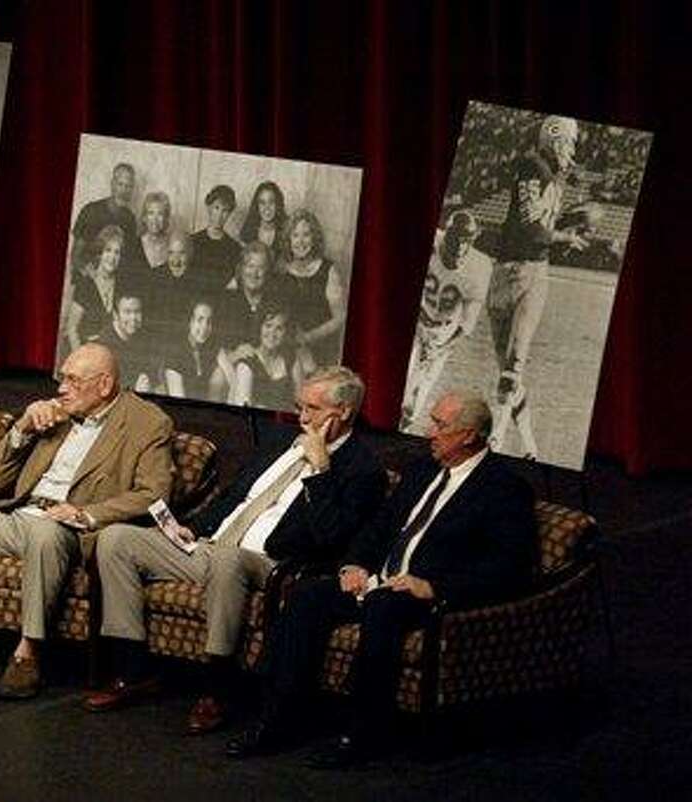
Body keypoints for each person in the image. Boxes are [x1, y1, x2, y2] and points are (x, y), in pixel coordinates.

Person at [226, 390, 536, 765]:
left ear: (469, 435)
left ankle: (364, 734)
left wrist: (433, 586)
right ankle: (279, 720)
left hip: (425, 595)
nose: (429, 432)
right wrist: (354, 564)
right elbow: (379, 527)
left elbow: (509, 565)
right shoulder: (422, 470)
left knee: (383, 609)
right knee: (308, 597)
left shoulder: (503, 488)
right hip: (378, 581)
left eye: (439, 425)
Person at [85, 367, 386, 736]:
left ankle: (217, 686)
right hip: (212, 547)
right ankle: (132, 669)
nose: (302, 417)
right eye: (299, 406)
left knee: (228, 560)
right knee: (116, 538)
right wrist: (192, 529)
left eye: (312, 409)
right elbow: (234, 497)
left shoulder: (363, 467)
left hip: (269, 562)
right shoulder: (280, 442)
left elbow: (332, 537)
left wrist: (320, 469)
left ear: (343, 413)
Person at [0, 343, 174, 701]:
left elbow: (154, 493)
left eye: (73, 380)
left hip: (72, 527)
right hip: (19, 515)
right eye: (62, 379)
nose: (61, 389)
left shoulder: (146, 422)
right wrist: (23, 428)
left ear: (104, 385)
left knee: (44, 531)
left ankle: (27, 653)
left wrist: (86, 514)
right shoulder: (55, 413)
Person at [486, 115, 588, 459]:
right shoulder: (534, 167)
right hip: (519, 273)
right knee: (509, 373)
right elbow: (532, 229)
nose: (572, 149)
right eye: (569, 141)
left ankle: (504, 443)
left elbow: (536, 226)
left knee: (512, 371)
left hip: (515, 271)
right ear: (556, 140)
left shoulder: (547, 174)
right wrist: (565, 236)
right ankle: (519, 445)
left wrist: (564, 230)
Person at [401, 210, 494, 430]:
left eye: (466, 242)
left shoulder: (479, 268)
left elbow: (466, 324)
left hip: (443, 334)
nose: (460, 248)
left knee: (413, 406)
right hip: (416, 323)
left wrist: (442, 347)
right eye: (455, 240)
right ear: (445, 236)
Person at [210, 241, 282, 402]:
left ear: (268, 272)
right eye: (250, 266)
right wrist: (235, 355)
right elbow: (217, 343)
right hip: (233, 360)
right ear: (241, 269)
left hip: (265, 359)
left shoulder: (274, 301)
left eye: (261, 267)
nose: (254, 273)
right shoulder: (227, 299)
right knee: (218, 379)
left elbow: (280, 338)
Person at [275, 208, 346, 369]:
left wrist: (308, 337)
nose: (300, 241)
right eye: (295, 235)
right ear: (288, 240)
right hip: (289, 344)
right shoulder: (281, 269)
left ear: (314, 238)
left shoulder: (328, 270)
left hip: (321, 346)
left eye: (306, 234)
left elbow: (340, 318)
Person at [65, 224, 126, 354]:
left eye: (117, 252)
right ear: (99, 253)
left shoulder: (121, 285)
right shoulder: (86, 284)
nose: (112, 257)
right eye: (108, 250)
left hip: (110, 352)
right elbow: (72, 328)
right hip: (85, 350)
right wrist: (82, 360)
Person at [69, 162, 140, 275]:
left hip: (112, 283)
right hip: (87, 279)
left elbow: (128, 259)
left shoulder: (130, 219)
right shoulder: (91, 211)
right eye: (120, 184)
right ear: (112, 184)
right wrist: (87, 271)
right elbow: (75, 256)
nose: (123, 191)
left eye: (128, 186)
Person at [232, 310, 304, 410]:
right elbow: (243, 410)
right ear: (260, 328)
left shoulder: (292, 359)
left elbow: (301, 403)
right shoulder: (247, 363)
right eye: (268, 326)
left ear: (286, 333)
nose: (272, 333)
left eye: (279, 328)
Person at [92, 291, 153, 392]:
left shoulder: (143, 337)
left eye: (137, 312)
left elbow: (151, 372)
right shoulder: (103, 346)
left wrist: (147, 377)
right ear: (115, 315)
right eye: (127, 312)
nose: (133, 318)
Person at [189, 185, 242, 291]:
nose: (219, 215)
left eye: (225, 210)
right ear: (209, 207)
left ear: (230, 213)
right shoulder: (192, 241)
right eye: (216, 208)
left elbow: (233, 284)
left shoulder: (234, 248)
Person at [162, 301, 217, 400]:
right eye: (200, 320)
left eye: (209, 321)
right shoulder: (175, 353)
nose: (205, 327)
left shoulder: (207, 350)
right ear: (189, 322)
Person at [239, 181, 288, 252]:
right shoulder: (248, 233)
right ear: (257, 206)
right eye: (262, 203)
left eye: (271, 202)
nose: (267, 208)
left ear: (278, 204)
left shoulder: (286, 231)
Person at [137, 190, 172, 270]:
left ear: (166, 218)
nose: (155, 219)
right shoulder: (133, 245)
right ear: (144, 217)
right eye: (151, 213)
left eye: (160, 214)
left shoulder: (172, 245)